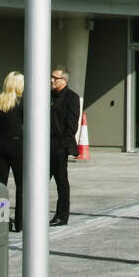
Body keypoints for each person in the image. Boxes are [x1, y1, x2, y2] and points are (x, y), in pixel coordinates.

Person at [0, 70, 24, 232]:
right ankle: (20, 222)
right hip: (18, 144)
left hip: (0, 144)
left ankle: (1, 221)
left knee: (1, 185)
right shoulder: (22, 101)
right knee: (21, 185)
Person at [49, 66, 80, 226]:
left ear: (64, 80)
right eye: (51, 77)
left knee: (61, 181)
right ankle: (34, 212)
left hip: (59, 145)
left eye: (55, 78)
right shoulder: (48, 96)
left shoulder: (71, 97)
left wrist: (62, 145)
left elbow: (72, 125)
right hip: (45, 144)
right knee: (38, 180)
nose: (51, 80)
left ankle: (62, 215)